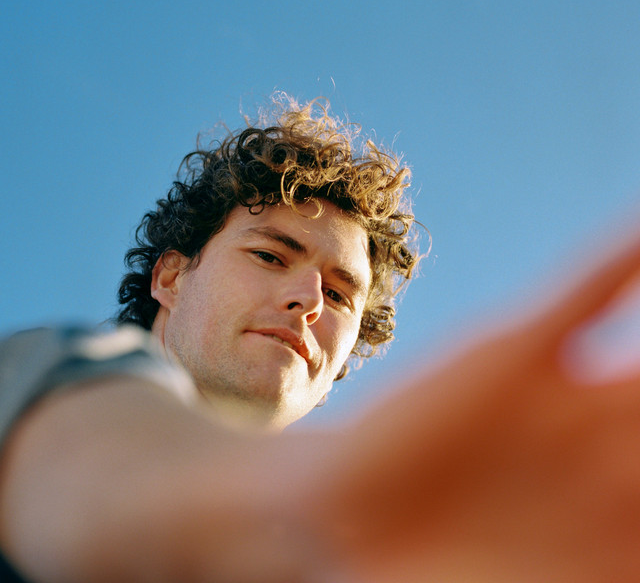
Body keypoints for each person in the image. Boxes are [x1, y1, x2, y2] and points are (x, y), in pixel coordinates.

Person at [2, 95, 640, 583]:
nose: (308, 300)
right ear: (171, 276)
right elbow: (92, 473)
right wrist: (305, 506)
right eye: (272, 257)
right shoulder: (46, 380)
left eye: (338, 295)